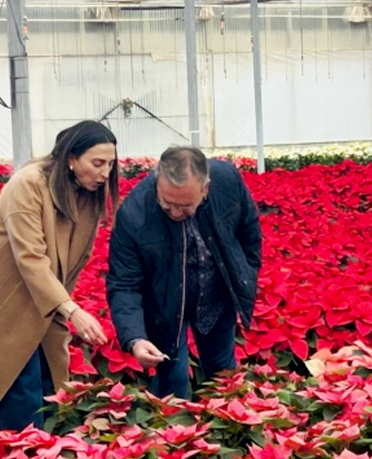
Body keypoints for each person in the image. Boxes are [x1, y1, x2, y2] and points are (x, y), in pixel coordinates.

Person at [0, 121, 117, 430]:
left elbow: (74, 261)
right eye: (98, 163)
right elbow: (30, 258)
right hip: (4, 308)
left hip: (45, 308)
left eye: (111, 164)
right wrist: (72, 310)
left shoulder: (88, 193)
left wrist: (64, 309)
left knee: (49, 400)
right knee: (18, 402)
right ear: (71, 158)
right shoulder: (29, 182)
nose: (105, 173)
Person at [106, 146, 262, 399]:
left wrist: (246, 275)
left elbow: (249, 234)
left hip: (215, 297)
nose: (176, 213)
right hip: (164, 304)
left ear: (205, 189)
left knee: (223, 378)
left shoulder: (227, 181)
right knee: (172, 384)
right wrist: (135, 338)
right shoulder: (134, 214)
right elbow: (124, 283)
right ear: (157, 182)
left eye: (186, 206)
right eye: (167, 204)